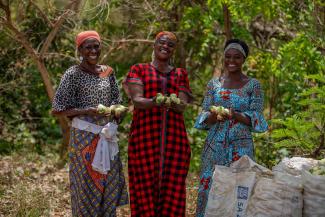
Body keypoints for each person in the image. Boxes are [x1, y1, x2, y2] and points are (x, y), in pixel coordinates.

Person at [51, 30, 128, 216]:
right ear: (80, 50)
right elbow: (57, 109)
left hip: (107, 137)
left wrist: (118, 112)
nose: (93, 50)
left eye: (96, 46)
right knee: (85, 184)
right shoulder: (73, 73)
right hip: (83, 140)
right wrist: (87, 110)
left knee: (107, 182)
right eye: (88, 47)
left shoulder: (108, 72)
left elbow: (117, 101)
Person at [194, 39, 268, 217]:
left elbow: (257, 119)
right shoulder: (214, 84)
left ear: (244, 59)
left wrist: (236, 115)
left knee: (240, 185)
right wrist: (214, 115)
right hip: (214, 144)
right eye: (228, 57)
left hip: (241, 145)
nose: (231, 61)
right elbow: (204, 115)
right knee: (210, 182)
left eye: (236, 57)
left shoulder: (253, 85)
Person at [124, 31, 193, 217]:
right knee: (143, 185)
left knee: (173, 188)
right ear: (154, 45)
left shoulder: (180, 74)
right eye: (162, 43)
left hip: (174, 143)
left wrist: (175, 103)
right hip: (145, 139)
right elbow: (137, 100)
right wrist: (156, 101)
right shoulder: (139, 69)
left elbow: (182, 105)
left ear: (174, 50)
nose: (165, 47)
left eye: (170, 45)